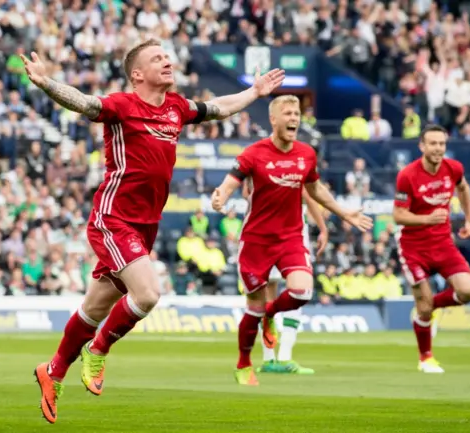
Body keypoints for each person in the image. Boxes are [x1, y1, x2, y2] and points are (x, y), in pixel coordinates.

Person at [23, 39, 286, 423]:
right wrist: (48, 84)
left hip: (146, 225)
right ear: (137, 74)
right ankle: (98, 350)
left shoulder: (177, 107)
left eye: (168, 55)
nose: (168, 60)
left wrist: (255, 91)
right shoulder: (123, 105)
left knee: (96, 306)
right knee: (146, 295)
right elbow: (84, 103)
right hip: (114, 219)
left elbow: (218, 108)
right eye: (157, 58)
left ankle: (54, 370)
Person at [211, 95, 373, 386]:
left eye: (297, 113)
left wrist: (344, 213)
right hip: (256, 241)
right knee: (253, 307)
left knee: (301, 292)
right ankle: (243, 363)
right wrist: (221, 194)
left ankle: (269, 315)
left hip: (290, 238)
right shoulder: (254, 153)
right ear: (273, 120)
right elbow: (232, 180)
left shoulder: (306, 154)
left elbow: (316, 191)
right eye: (287, 113)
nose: (294, 118)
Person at [392, 124, 470, 374]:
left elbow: (463, 188)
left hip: (443, 244)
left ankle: (427, 308)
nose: (438, 148)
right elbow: (398, 215)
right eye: (433, 143)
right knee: (424, 307)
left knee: (468, 292)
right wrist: (426, 220)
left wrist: (469, 220)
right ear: (422, 146)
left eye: (442, 143)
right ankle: (426, 358)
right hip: (413, 248)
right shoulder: (407, 175)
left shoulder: (454, 168)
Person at [241, 179, 328, 375]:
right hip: (289, 232)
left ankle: (270, 359)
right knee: (297, 291)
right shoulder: (297, 163)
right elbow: (309, 195)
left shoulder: (257, 159)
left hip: (262, 229)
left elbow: (246, 194)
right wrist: (322, 226)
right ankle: (282, 357)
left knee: (269, 294)